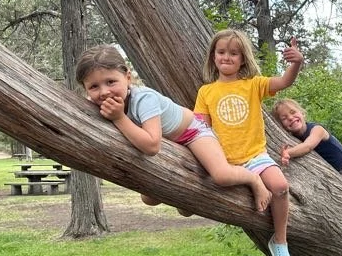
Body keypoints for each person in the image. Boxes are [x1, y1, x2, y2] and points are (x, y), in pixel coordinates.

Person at [75, 44, 272, 216]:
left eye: (111, 82)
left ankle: (254, 180)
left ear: (127, 77)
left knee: (220, 174)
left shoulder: (144, 99)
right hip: (169, 141)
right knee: (148, 199)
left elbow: (152, 145)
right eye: (94, 87)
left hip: (193, 132)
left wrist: (119, 118)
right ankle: (186, 199)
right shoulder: (104, 105)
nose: (104, 92)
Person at [194, 29, 302, 256]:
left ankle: (280, 241)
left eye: (234, 53)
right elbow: (200, 126)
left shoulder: (253, 85)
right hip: (224, 160)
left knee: (281, 186)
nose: (227, 57)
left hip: (255, 156)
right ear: (213, 56)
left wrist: (296, 63)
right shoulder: (206, 92)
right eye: (221, 52)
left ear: (243, 59)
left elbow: (284, 82)